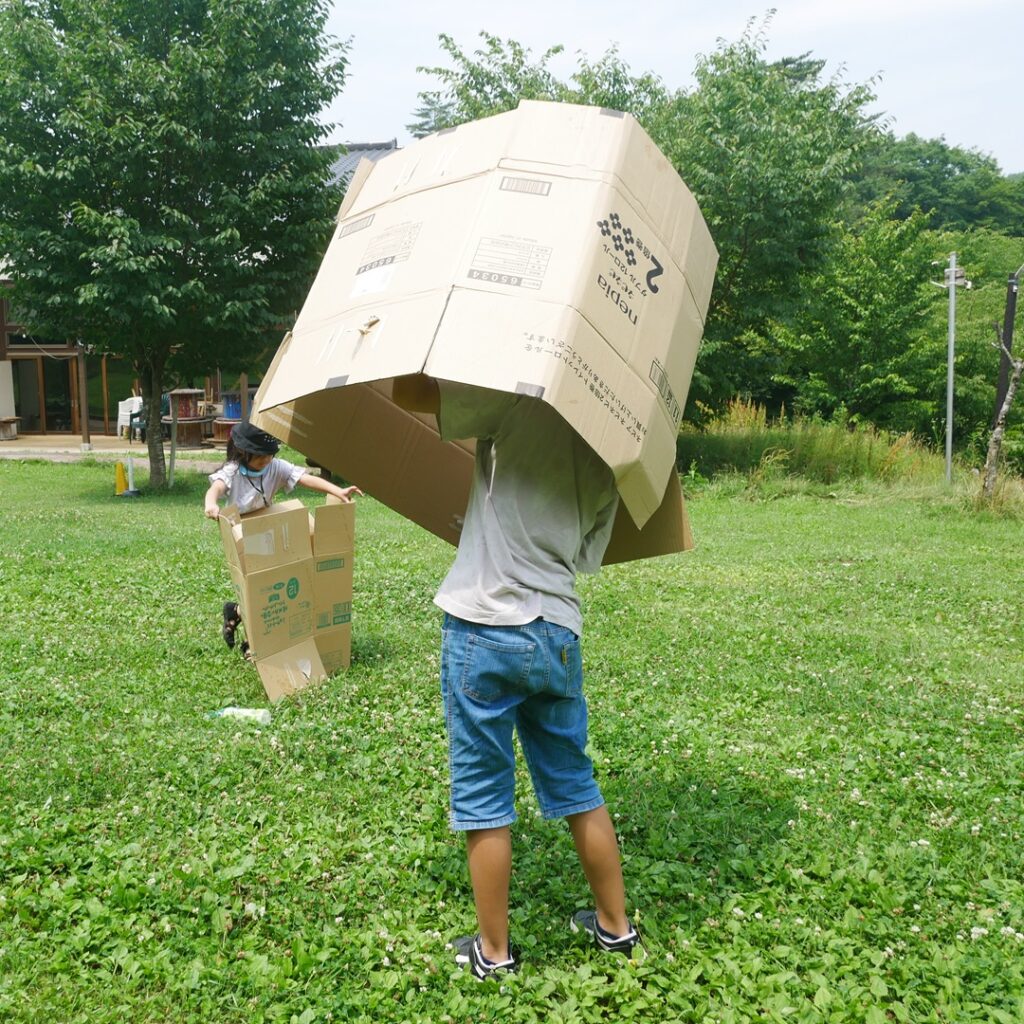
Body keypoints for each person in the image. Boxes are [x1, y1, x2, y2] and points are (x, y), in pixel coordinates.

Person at [392, 374, 641, 980]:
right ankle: (615, 928)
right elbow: (585, 555)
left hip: (485, 624)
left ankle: (494, 953)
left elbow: (409, 395)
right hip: (557, 632)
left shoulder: (521, 397)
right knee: (577, 784)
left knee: (483, 795)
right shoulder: (616, 455)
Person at [204, 420, 361, 653]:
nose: (266, 461)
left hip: (268, 530)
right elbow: (215, 488)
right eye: (260, 457)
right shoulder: (233, 471)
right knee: (255, 586)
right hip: (242, 533)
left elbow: (305, 478)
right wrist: (211, 504)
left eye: (269, 456)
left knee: (269, 587)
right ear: (243, 453)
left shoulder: (276, 466)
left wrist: (336, 490)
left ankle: (236, 612)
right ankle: (252, 643)